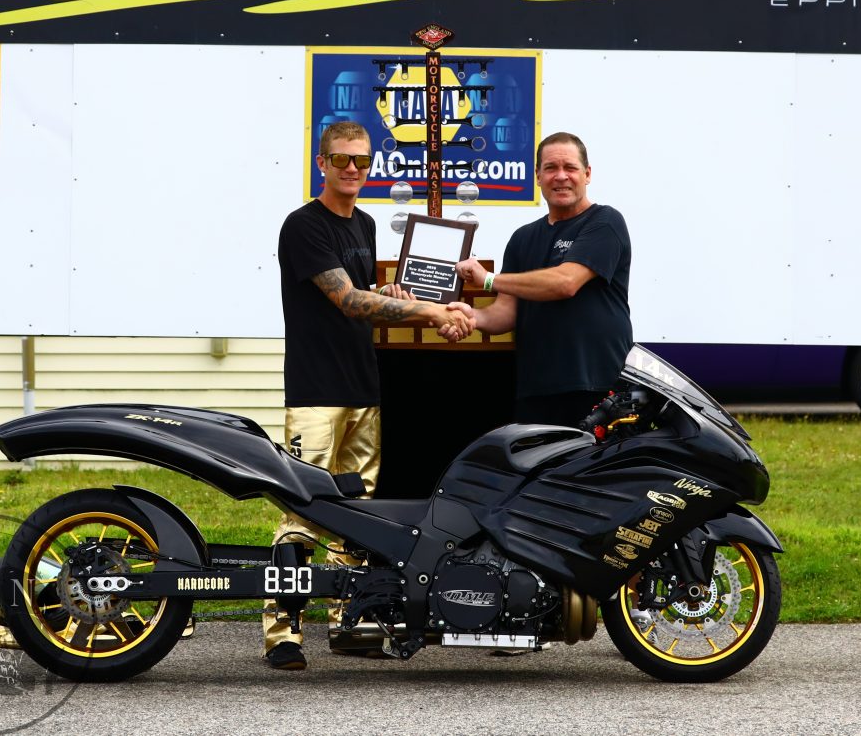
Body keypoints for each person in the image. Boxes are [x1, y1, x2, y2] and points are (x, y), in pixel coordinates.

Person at [265, 120, 472, 670]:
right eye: (341, 160)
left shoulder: (366, 223)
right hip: (316, 391)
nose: (353, 169)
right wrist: (430, 310)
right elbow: (347, 303)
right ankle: (282, 631)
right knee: (302, 509)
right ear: (321, 164)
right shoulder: (302, 226)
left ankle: (344, 621)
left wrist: (392, 292)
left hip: (364, 388)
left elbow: (362, 294)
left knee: (357, 512)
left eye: (361, 161)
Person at [448, 131, 632, 427]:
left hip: (597, 389)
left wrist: (488, 280)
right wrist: (472, 318)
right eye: (550, 168)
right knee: (541, 474)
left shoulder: (605, 222)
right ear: (537, 176)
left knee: (591, 473)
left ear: (587, 174)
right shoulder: (522, 239)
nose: (561, 176)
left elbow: (565, 283)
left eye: (570, 168)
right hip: (537, 391)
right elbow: (505, 312)